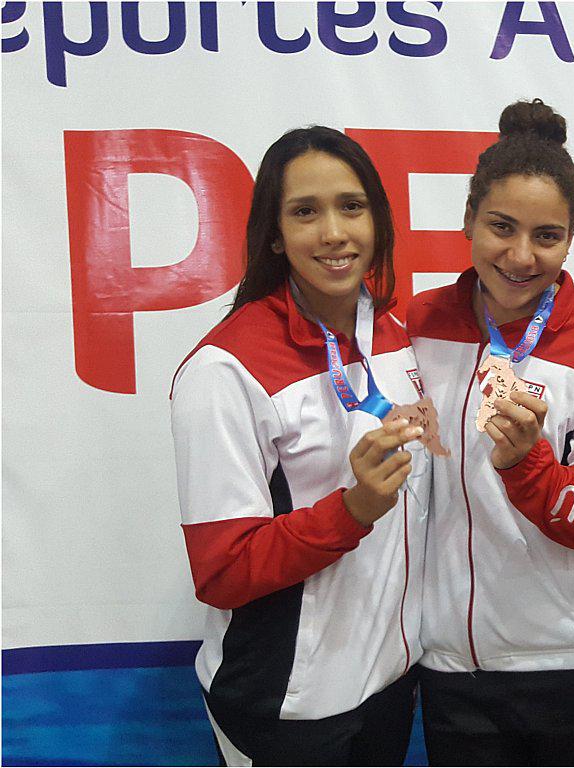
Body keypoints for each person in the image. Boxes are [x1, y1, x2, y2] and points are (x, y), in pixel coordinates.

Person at [171, 126, 429, 765]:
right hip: (288, 704)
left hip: (390, 682)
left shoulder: (393, 330)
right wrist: (353, 510)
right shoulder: (224, 371)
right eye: (305, 212)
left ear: (379, 221)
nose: (334, 233)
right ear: (275, 234)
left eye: (352, 206)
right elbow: (224, 569)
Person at [407, 99, 574, 765]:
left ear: (570, 239)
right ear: (468, 221)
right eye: (501, 227)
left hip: (569, 659)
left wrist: (525, 465)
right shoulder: (416, 330)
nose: (520, 255)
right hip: (449, 661)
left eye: (547, 236)